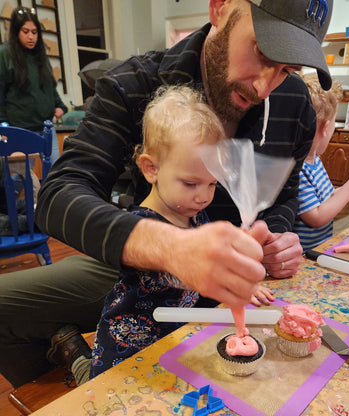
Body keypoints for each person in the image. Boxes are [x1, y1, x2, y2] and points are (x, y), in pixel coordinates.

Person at [0, 0, 333, 388]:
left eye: (287, 69)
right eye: (261, 51)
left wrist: (274, 237)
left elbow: (285, 198)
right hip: (147, 268)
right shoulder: (134, 84)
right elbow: (58, 194)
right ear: (220, 8)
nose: (264, 86)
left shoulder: (295, 106)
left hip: (244, 287)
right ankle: (74, 389)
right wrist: (172, 248)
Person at [88, 85, 274, 381]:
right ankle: (76, 360)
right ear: (151, 169)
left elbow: (211, 266)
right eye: (191, 183)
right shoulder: (141, 224)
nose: (203, 196)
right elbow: (185, 273)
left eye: (212, 184)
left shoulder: (194, 214)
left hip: (173, 343)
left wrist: (242, 281)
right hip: (126, 353)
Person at [293, 73, 349, 251]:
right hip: (303, 255)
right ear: (326, 128)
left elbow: (327, 198)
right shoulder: (298, 169)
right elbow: (316, 217)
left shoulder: (315, 161)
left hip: (319, 246)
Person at [0, 6, 67, 165]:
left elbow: (50, 86)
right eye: (25, 31)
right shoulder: (4, 53)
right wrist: (3, 126)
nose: (31, 37)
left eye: (35, 32)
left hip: (46, 127)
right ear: (16, 32)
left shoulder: (40, 54)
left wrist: (60, 106)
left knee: (54, 174)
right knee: (19, 178)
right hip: (20, 129)